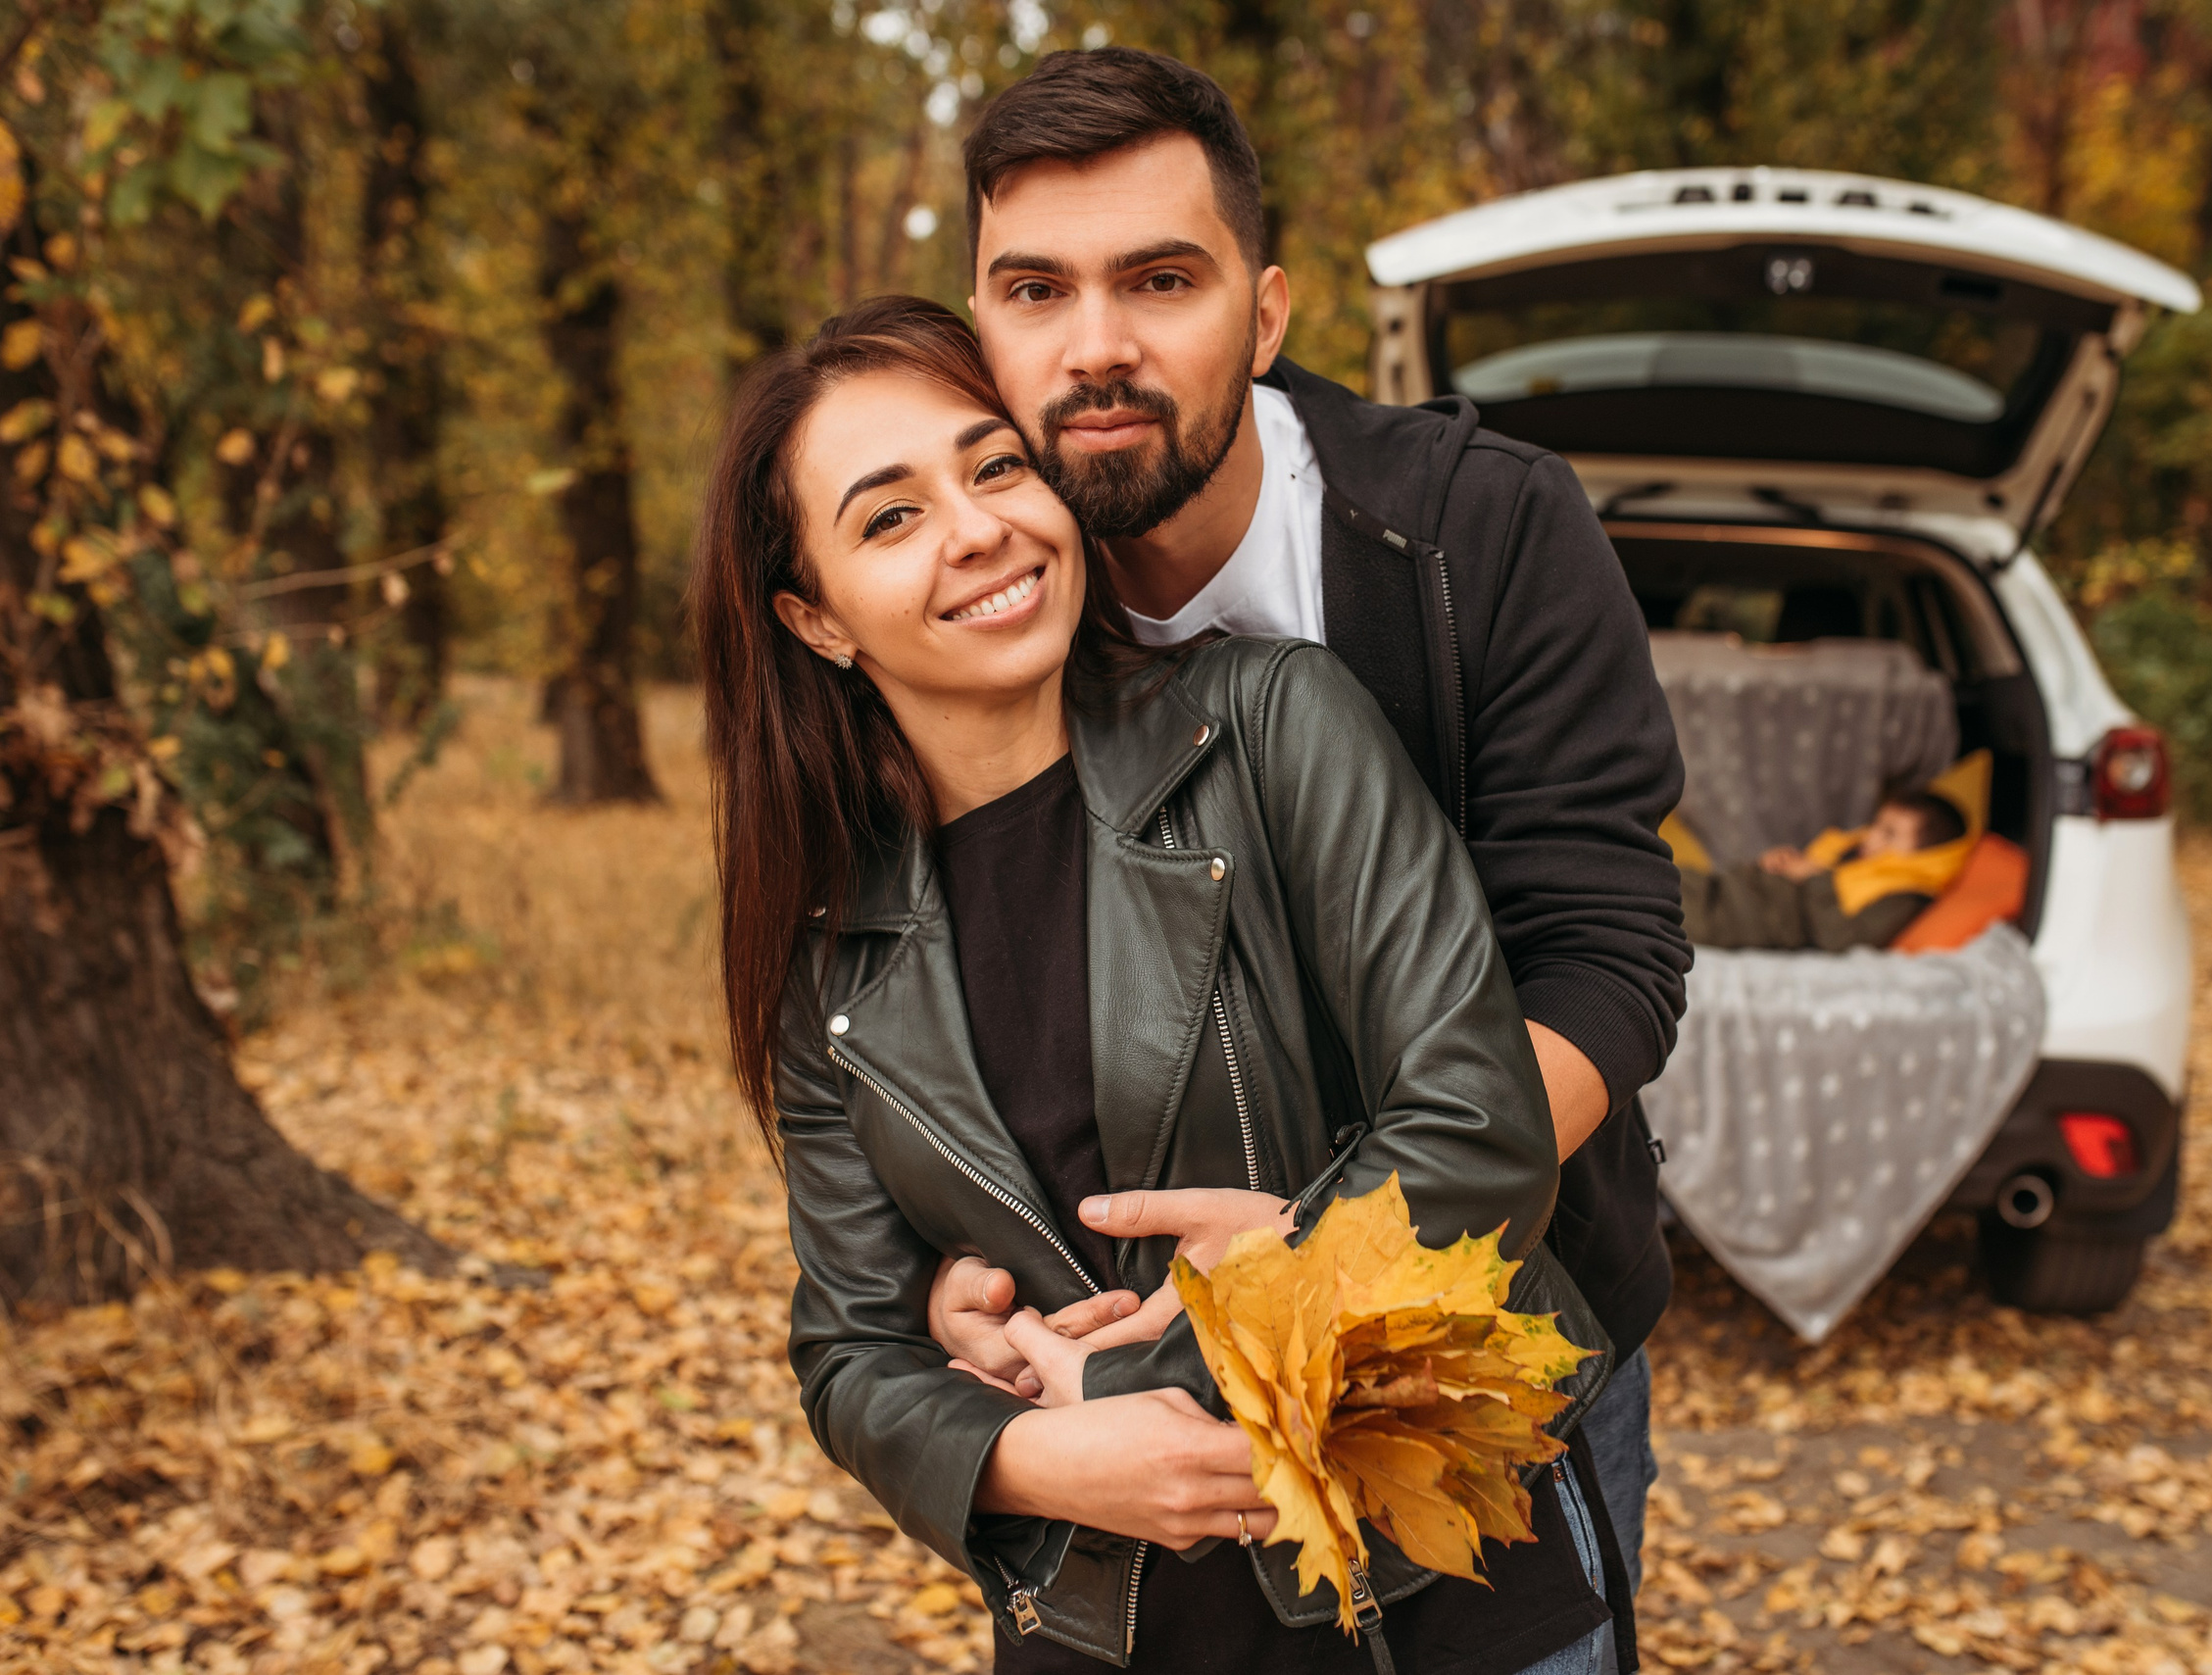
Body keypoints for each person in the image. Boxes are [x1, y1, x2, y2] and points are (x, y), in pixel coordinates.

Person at [691, 296, 1627, 1675]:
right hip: (1103, 1621)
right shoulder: (833, 946)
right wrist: (1036, 1461)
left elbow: (1478, 1130)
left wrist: (1143, 1377)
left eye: (995, 465)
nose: (976, 529)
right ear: (815, 619)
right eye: (889, 518)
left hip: (1435, 1587)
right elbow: (851, 1347)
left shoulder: (1269, 727)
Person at [921, 48, 1691, 1623]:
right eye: (1035, 290)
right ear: (977, 326)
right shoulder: (968, 607)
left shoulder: (1483, 535)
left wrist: (1330, 1248)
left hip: (1489, 1330)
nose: (1099, 347)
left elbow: (1608, 954)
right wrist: (961, 1264)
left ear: (1265, 313)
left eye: (1161, 279)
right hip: (1123, 1389)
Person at [1682, 790, 1968, 951]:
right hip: (1722, 888)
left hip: (1727, 920)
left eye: (1890, 834)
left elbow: (1841, 940)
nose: (1871, 838)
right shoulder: (1855, 859)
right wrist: (1781, 863)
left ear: (1925, 856)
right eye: (1877, 825)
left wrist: (1813, 877)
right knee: (1653, 874)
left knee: (1648, 899)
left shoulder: (1903, 897)